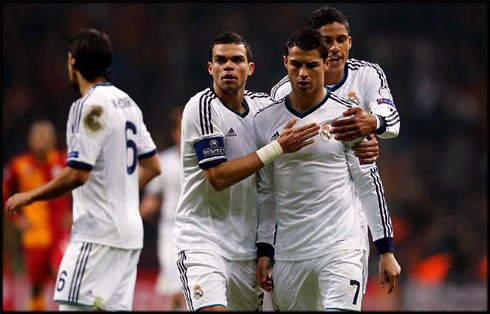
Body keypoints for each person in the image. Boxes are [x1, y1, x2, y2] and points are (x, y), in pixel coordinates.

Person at [5, 28, 161, 311]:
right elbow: (152, 166)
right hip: (129, 234)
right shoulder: (129, 104)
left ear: (73, 62)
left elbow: (78, 173)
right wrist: (121, 191)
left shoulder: (86, 106)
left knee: (74, 307)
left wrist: (30, 196)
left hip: (96, 234)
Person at [255, 27, 401, 311]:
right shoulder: (266, 121)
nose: (303, 74)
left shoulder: (346, 116)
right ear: (285, 62)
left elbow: (368, 183)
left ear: (325, 64)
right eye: (296, 65)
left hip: (340, 246)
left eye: (311, 65)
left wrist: (386, 249)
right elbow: (266, 192)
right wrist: (264, 250)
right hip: (290, 254)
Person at [173, 31, 320, 312]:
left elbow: (311, 109)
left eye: (237, 60)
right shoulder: (202, 108)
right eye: (221, 60)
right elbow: (217, 177)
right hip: (203, 240)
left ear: (250, 69)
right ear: (210, 68)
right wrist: (276, 148)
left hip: (247, 249)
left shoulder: (263, 108)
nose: (228, 66)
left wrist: (364, 136)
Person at [3, 120, 72, 311]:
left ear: (53, 140)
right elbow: (4, 192)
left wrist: (74, 212)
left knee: (63, 274)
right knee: (36, 287)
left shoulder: (63, 161)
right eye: (37, 135)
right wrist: (16, 219)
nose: (41, 139)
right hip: (34, 236)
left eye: (45, 135)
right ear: (29, 140)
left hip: (60, 233)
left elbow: (81, 185)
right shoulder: (19, 165)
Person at [139, 107, 186, 311]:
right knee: (176, 291)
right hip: (171, 232)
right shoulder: (163, 163)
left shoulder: (209, 162)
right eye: (181, 128)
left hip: (202, 232)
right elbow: (151, 201)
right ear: (174, 131)